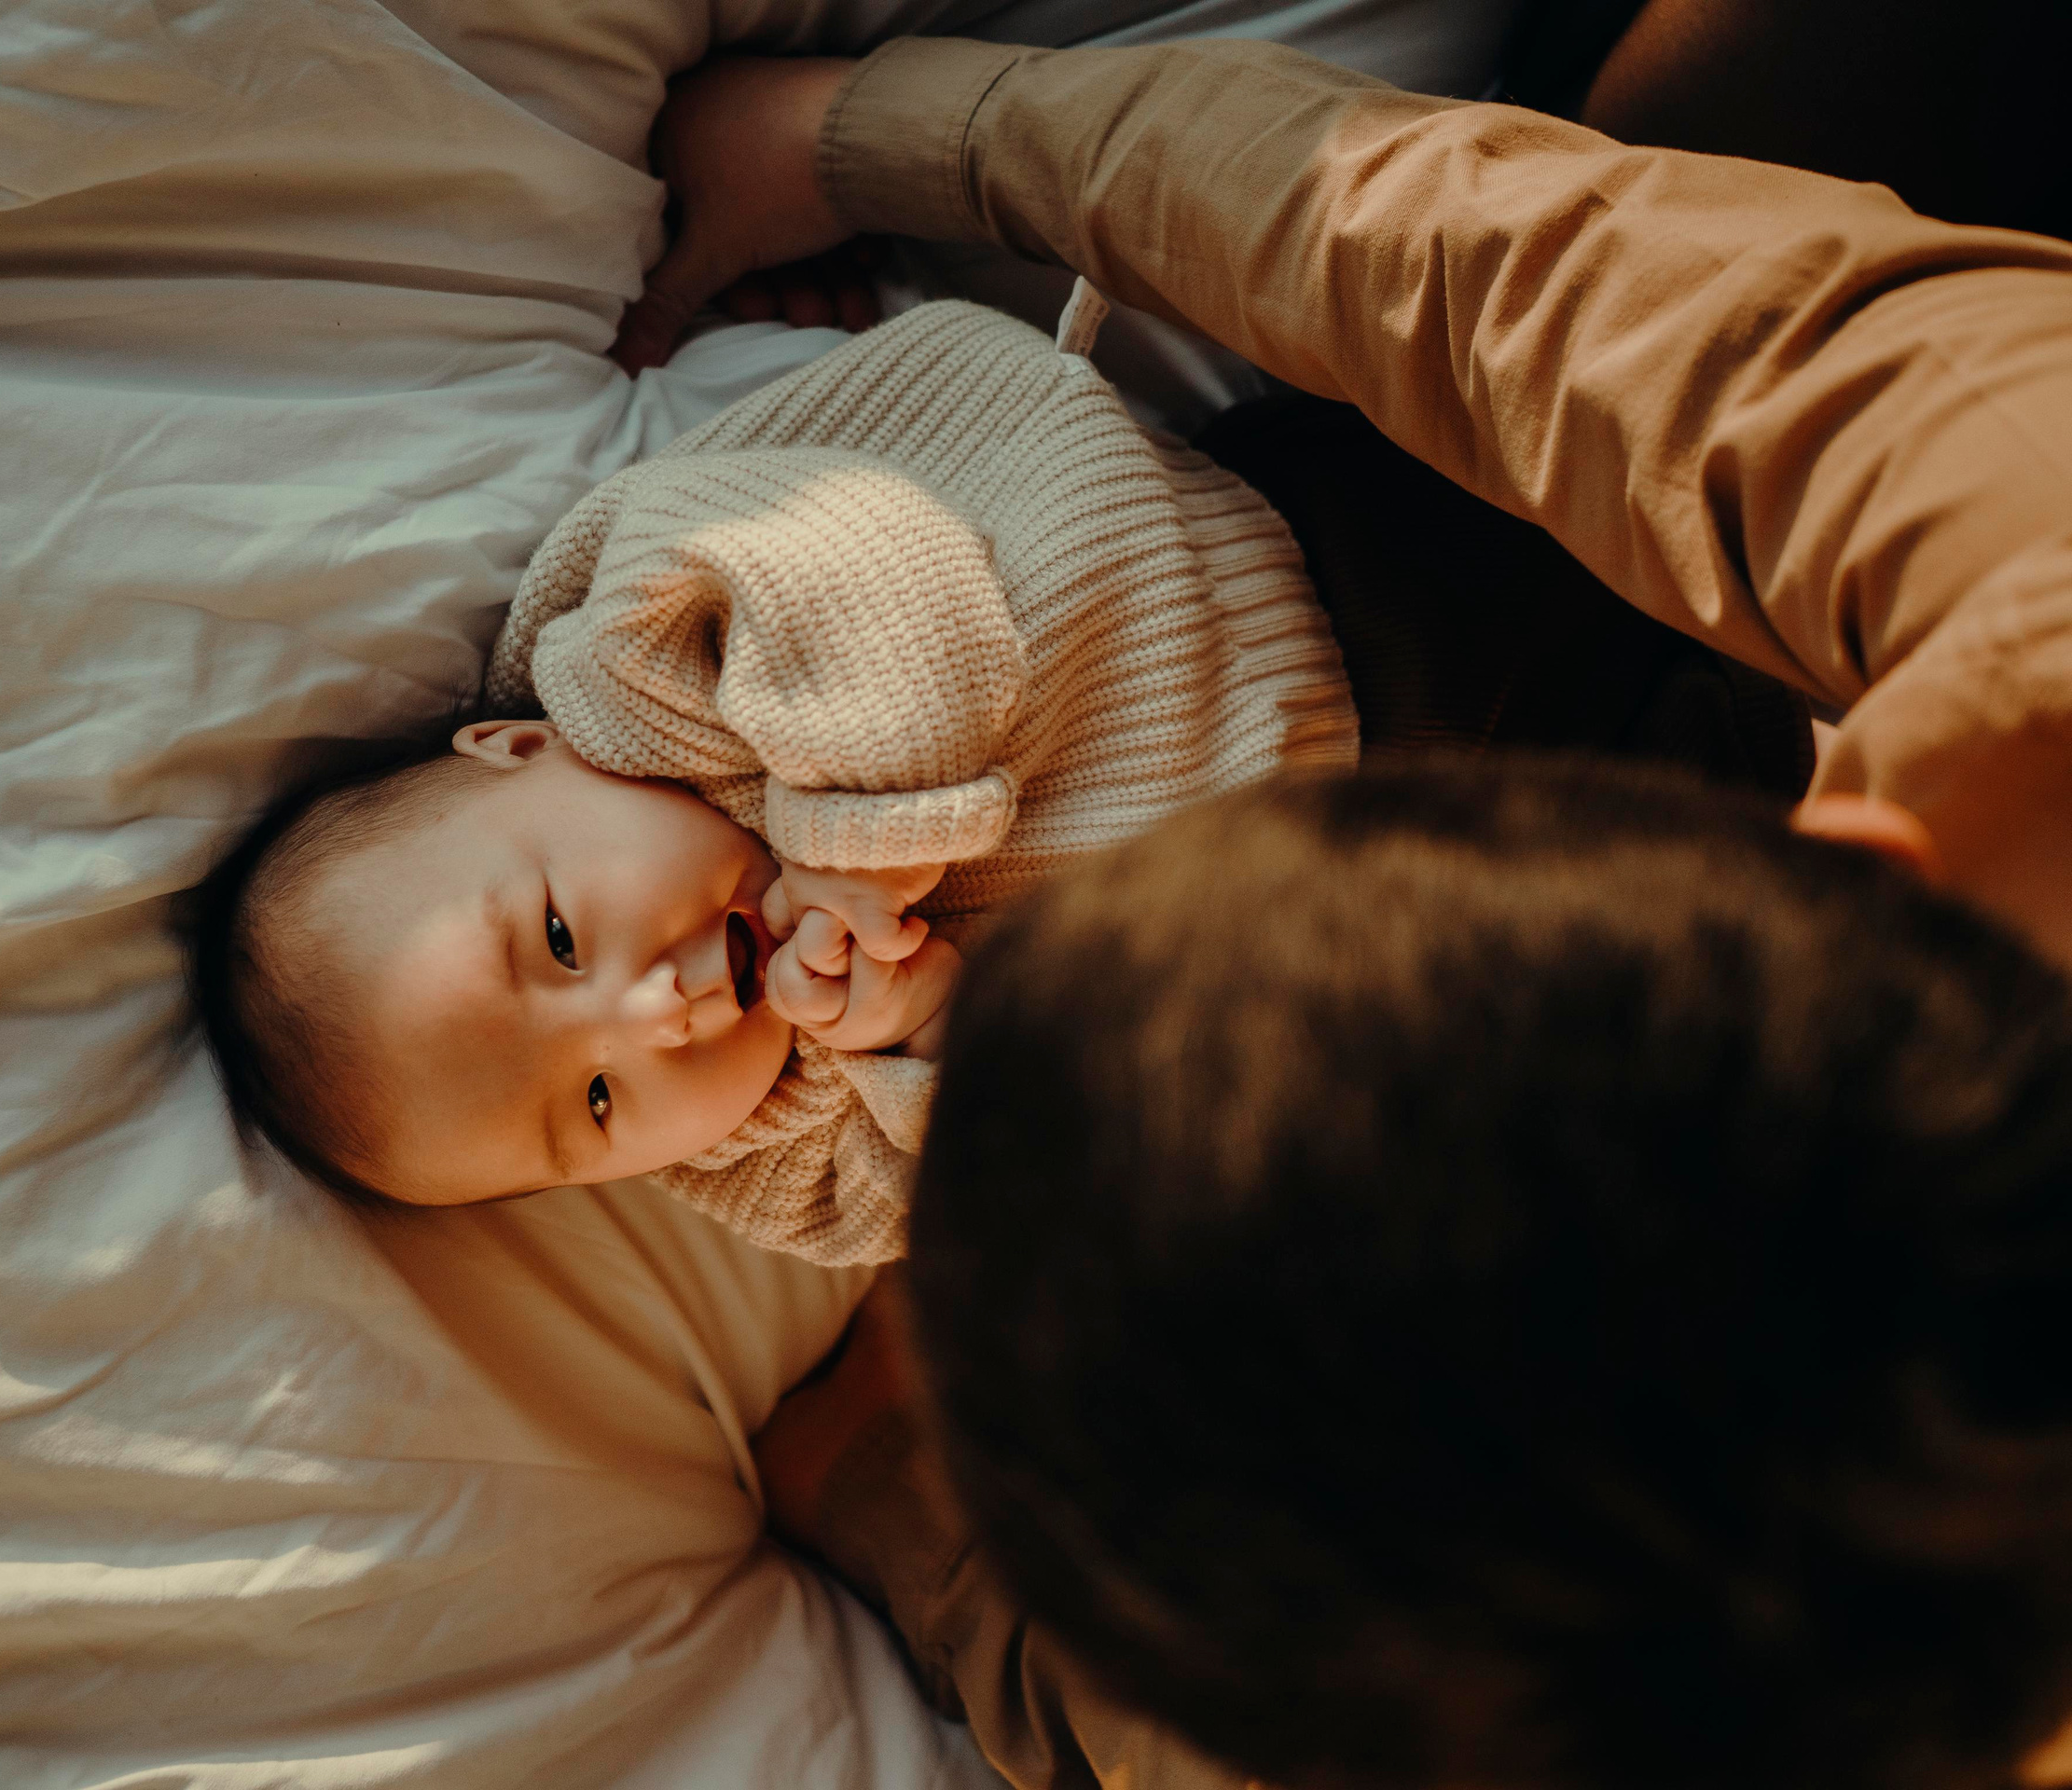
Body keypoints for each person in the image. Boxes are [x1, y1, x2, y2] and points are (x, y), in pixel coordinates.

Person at [598, 24, 2072, 1790]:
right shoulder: (2032, 557)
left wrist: (922, 1519)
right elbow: (1501, 264)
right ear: (1874, 876)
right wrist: (884, 135)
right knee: (1756, 112)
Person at [186, 297, 1358, 1258]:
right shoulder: (773, 1171)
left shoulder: (642, 656)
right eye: (596, 1105)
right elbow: (1014, 1184)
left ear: (518, 750)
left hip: (1300, 567)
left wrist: (855, 858)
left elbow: (871, 560)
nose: (653, 1016)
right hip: (1358, 886)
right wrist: (927, 1029)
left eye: (555, 937)